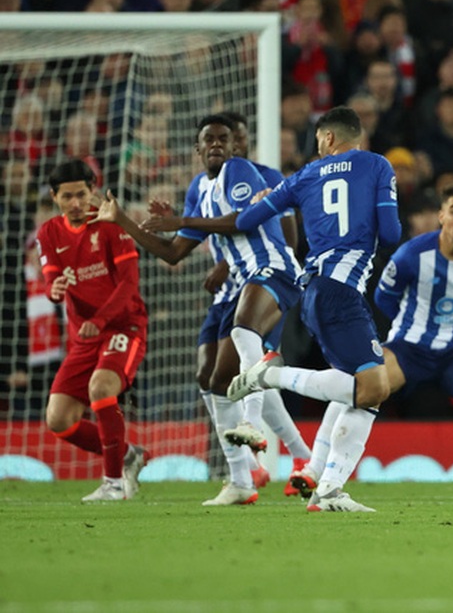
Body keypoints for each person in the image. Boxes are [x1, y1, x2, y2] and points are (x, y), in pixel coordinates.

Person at [235, 184, 453, 506]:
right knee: (364, 385)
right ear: (441, 216)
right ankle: (318, 472)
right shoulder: (412, 255)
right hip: (410, 347)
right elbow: (385, 299)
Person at [91, 115, 303, 506]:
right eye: (210, 140)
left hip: (272, 267)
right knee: (213, 379)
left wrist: (182, 220)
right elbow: (173, 252)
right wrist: (123, 220)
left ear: (236, 146)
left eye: (225, 138)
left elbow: (242, 220)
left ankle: (253, 427)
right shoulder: (198, 189)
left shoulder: (241, 171)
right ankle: (240, 480)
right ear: (198, 148)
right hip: (240, 281)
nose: (219, 144)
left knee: (244, 333)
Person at [223, 106, 401, 513]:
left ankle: (328, 489)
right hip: (341, 289)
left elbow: (248, 218)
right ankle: (271, 374)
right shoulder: (376, 165)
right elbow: (390, 232)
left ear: (327, 139)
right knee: (374, 387)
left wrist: (269, 200)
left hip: (318, 289)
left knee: (362, 390)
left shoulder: (304, 175)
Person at [174, 110, 312, 497]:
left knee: (250, 360)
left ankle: (274, 456)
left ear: (241, 141)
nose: (228, 144)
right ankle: (265, 464)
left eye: (234, 137)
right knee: (222, 375)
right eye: (216, 139)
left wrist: (233, 265)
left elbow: (281, 233)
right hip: (229, 289)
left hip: (264, 279)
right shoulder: (205, 183)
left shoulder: (264, 176)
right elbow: (183, 246)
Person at [38, 160, 148, 502]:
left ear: (93, 192)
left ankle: (113, 483)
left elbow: (129, 284)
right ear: (55, 197)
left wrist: (100, 321)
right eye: (67, 196)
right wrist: (53, 290)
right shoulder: (49, 233)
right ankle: (128, 454)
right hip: (84, 337)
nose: (76, 203)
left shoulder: (111, 226)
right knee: (59, 420)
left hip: (123, 327)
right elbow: (52, 281)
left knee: (101, 387)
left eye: (82, 195)